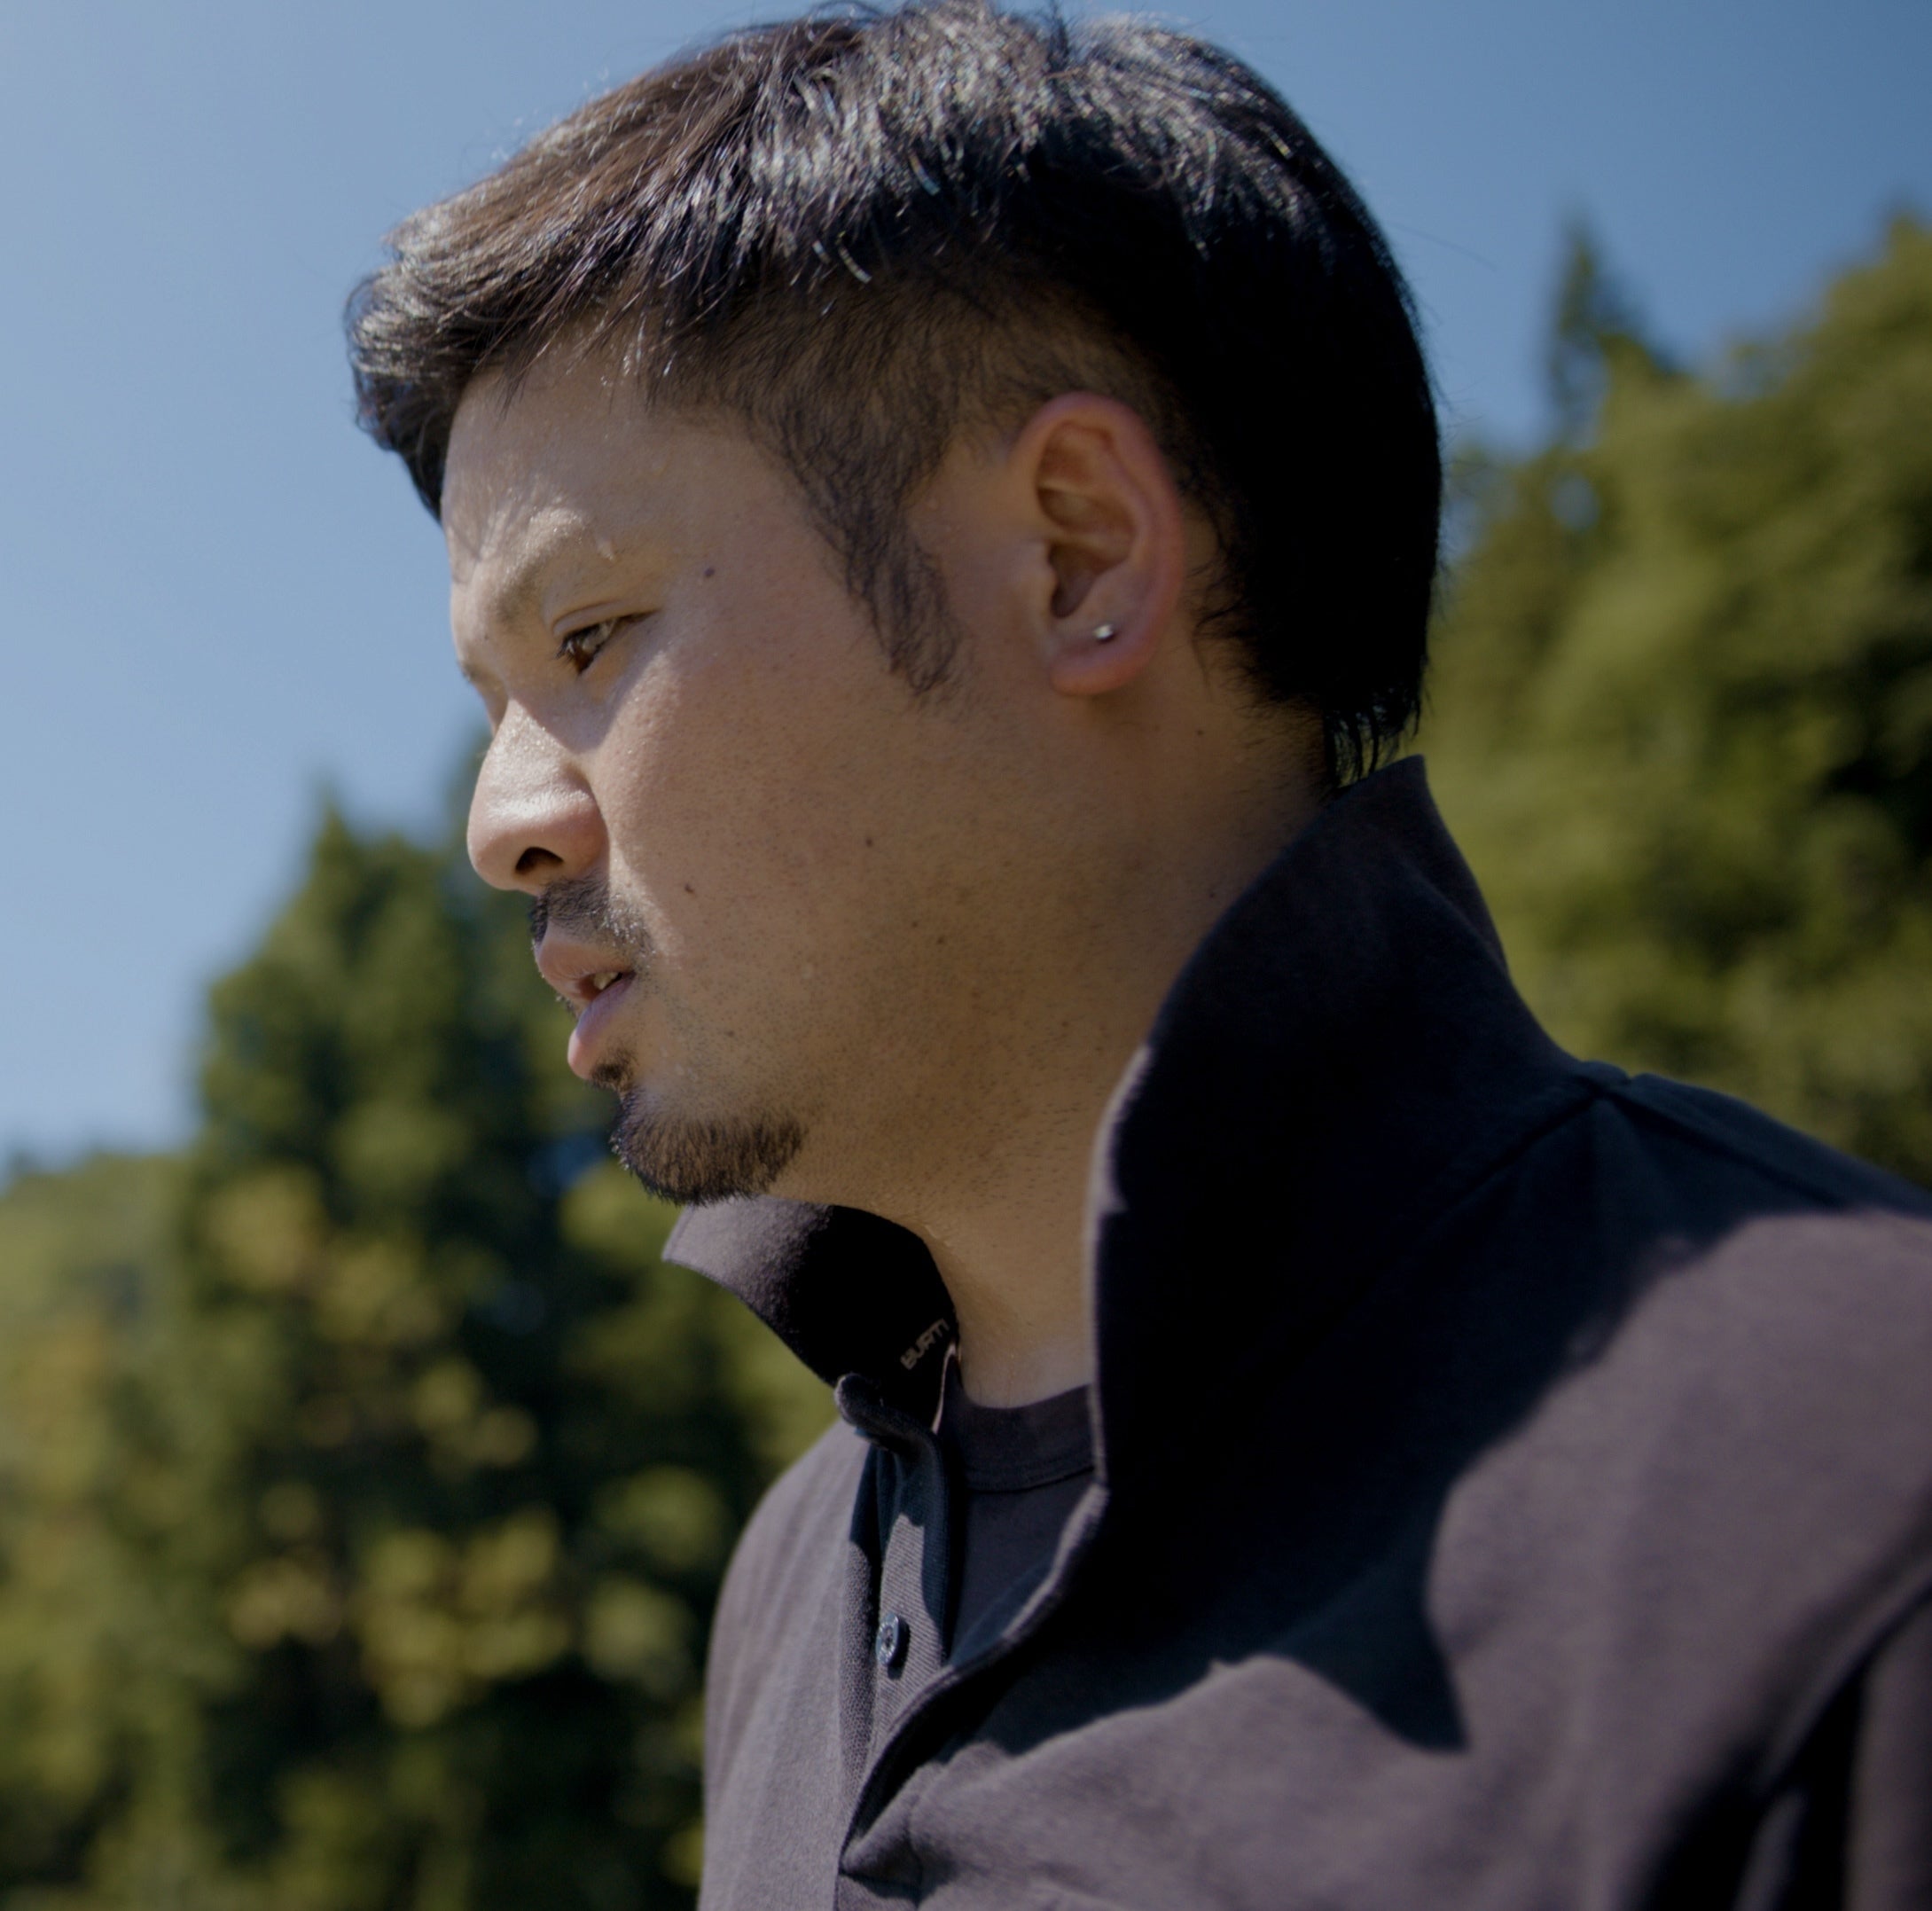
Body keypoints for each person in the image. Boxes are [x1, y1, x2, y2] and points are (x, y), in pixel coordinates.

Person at [347, 4, 1932, 1904]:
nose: (502, 823)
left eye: (590, 639)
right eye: (492, 702)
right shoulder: (795, 1574)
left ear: (1078, 556)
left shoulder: (1847, 1504)